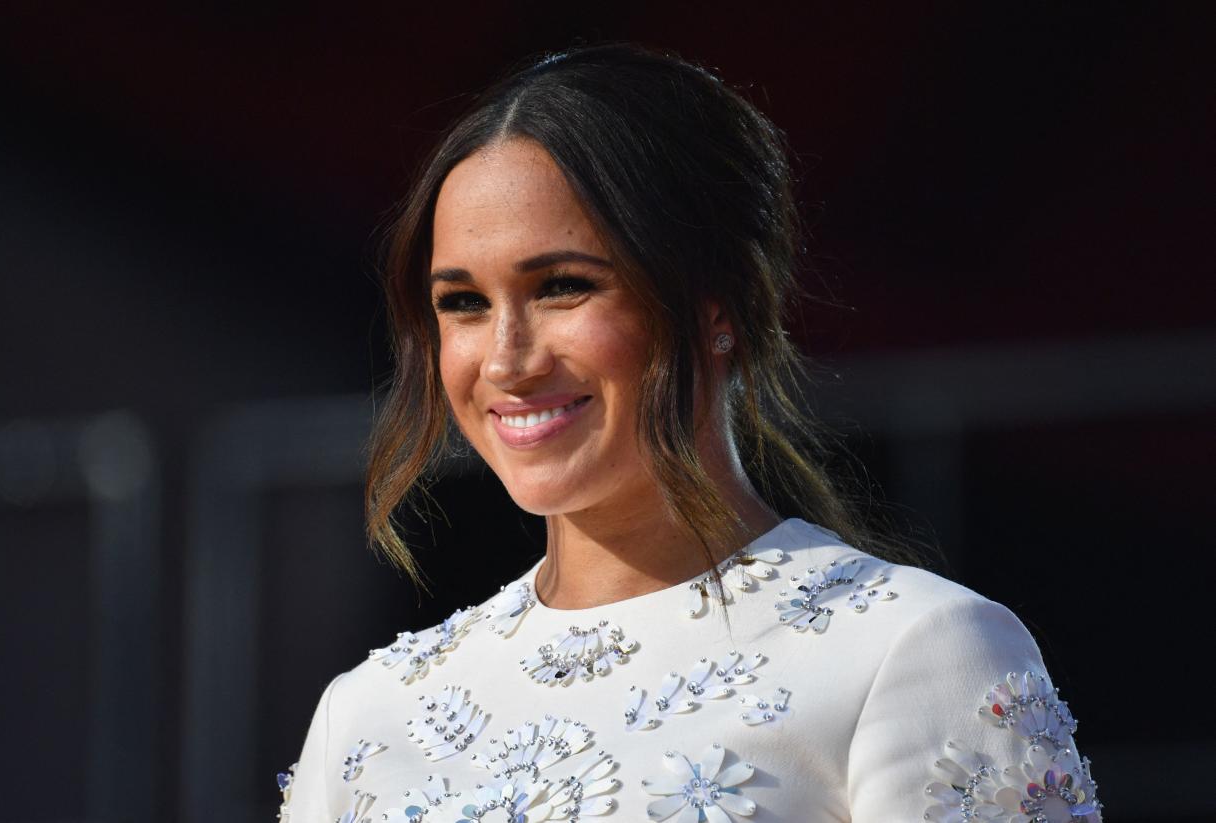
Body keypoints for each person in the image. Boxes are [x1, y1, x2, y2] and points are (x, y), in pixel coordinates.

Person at [279, 43, 1102, 823]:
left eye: (563, 286)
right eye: (463, 302)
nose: (506, 358)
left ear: (721, 309)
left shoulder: (914, 653)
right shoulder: (370, 714)